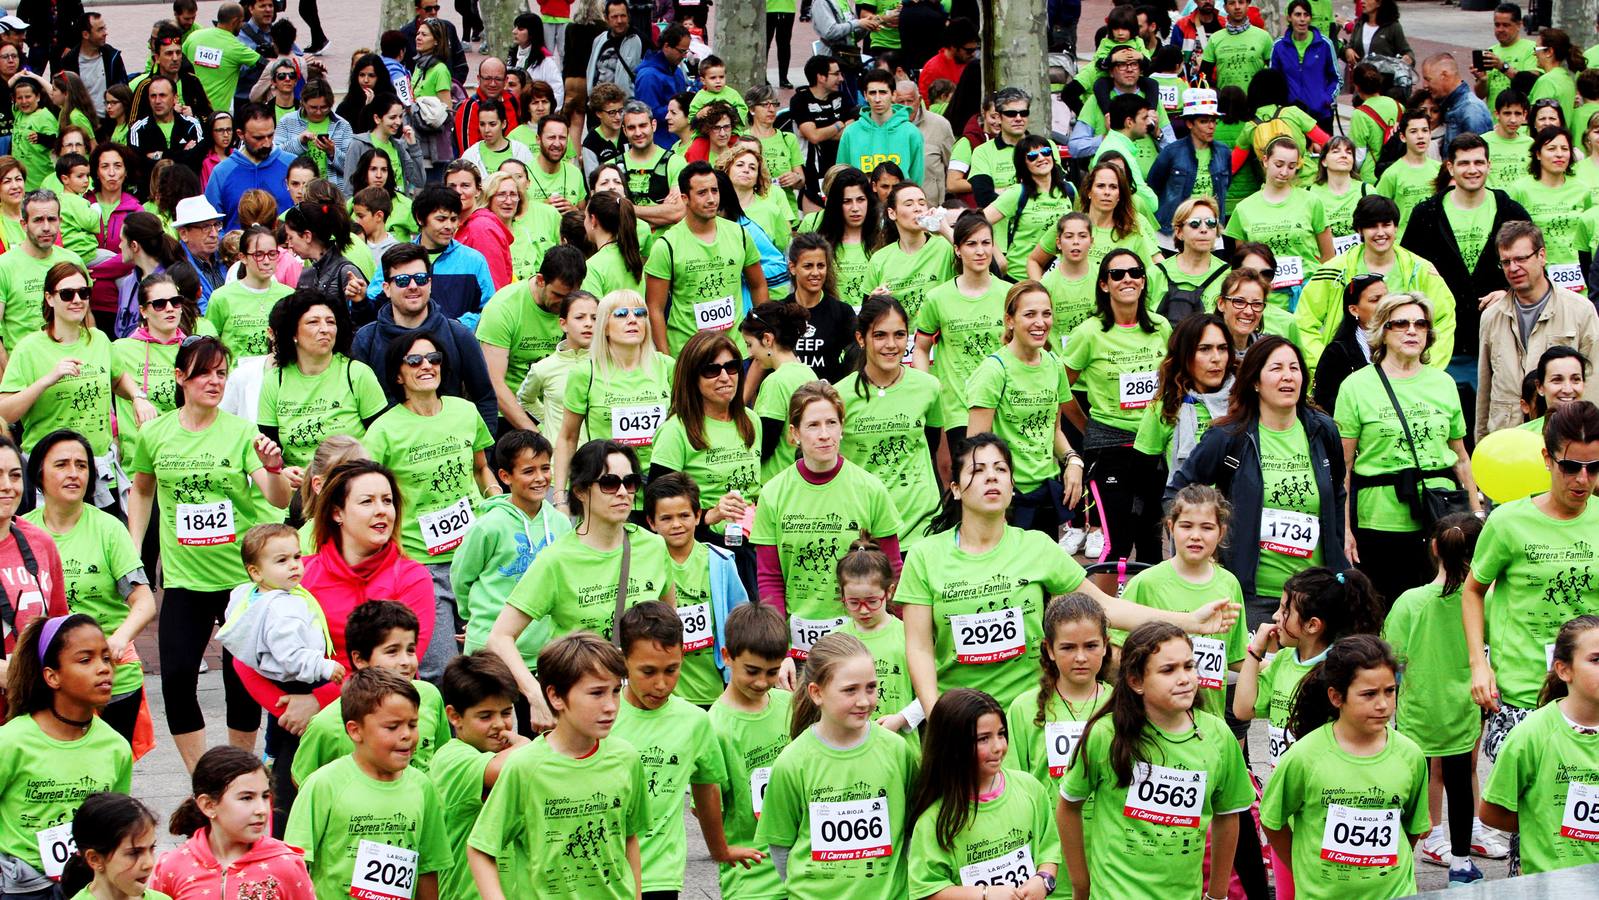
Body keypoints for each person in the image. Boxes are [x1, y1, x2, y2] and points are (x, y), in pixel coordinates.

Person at [127, 335, 290, 770]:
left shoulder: (240, 431)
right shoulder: (155, 433)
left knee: (241, 683)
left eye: (221, 373)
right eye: (204, 372)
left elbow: (276, 498)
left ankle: (239, 772)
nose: (215, 381)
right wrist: (133, 547)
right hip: (184, 579)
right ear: (180, 377)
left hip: (240, 579)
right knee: (177, 679)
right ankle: (202, 778)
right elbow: (142, 490)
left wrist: (274, 470)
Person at [1059, 621, 1252, 899]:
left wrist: (1217, 894)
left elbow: (1227, 814)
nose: (1184, 678)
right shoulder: (1105, 734)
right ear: (1136, 681)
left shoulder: (1218, 735)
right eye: (1168, 670)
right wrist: (1081, 886)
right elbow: (1068, 805)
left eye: (1188, 666)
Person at [488, 438, 672, 729]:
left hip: (643, 707)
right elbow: (499, 637)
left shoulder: (655, 547)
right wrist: (536, 696)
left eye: (631, 482)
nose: (623, 492)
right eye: (610, 483)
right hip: (581, 711)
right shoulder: (557, 560)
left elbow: (669, 629)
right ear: (581, 491)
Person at [466, 633, 647, 899]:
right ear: (556, 696)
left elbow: (629, 837)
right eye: (596, 693)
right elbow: (481, 849)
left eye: (616, 691)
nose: (610, 706)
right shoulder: (525, 767)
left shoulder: (627, 758)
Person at [363, 329, 497, 681]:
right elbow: (367, 494)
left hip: (477, 557)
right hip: (422, 565)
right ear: (398, 374)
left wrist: (496, 500)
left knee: (488, 665)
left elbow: (481, 467)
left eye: (434, 359)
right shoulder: (382, 432)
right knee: (441, 668)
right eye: (415, 360)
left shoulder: (465, 412)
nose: (427, 366)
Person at [1465, 398, 1599, 747]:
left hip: (1590, 694)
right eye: (1570, 466)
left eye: (1594, 467)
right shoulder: (1508, 521)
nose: (1583, 479)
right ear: (1547, 459)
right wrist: (1479, 665)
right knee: (1516, 800)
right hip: (1523, 693)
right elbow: (1473, 590)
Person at [1258, 634, 1434, 895]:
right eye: (1369, 694)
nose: (1383, 704)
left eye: (1390, 691)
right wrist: (1302, 868)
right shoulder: (1305, 756)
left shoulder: (1410, 755)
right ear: (1336, 697)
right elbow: (1272, 820)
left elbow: (1412, 827)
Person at [1336, 292, 1479, 605]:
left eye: (1420, 324)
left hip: (1440, 513)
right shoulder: (1356, 386)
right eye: (1400, 323)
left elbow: (1461, 458)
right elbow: (1343, 467)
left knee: (1444, 604)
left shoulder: (1443, 383)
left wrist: (1476, 514)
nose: (1412, 330)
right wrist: (1344, 529)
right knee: (1387, 609)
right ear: (1383, 331)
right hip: (1380, 519)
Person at [753, 631, 918, 897]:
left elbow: (912, 830)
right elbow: (781, 847)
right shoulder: (793, 761)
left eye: (871, 687)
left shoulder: (897, 750)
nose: (864, 700)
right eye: (850, 690)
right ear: (817, 693)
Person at [611, 601, 757, 892]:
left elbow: (706, 789)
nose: (662, 684)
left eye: (672, 669)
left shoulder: (694, 722)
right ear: (623, 661)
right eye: (648, 672)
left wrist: (720, 850)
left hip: (662, 874)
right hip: (608, 873)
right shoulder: (604, 717)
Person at [1383, 513, 1497, 881]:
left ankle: (1398, 866)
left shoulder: (1409, 601)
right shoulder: (1483, 602)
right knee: (1461, 783)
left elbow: (1392, 657)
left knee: (1407, 789)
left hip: (1417, 711)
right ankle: (1462, 863)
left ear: (1434, 548)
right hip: (1462, 709)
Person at [752, 381, 901, 659]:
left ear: (842, 427)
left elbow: (892, 569)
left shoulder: (870, 489)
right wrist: (779, 650)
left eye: (831, 423)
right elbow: (770, 578)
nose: (824, 435)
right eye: (813, 425)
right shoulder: (773, 493)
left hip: (863, 646)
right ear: (794, 433)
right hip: (799, 650)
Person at [21, 431, 154, 744]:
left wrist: (118, 640)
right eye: (62, 464)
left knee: (109, 784)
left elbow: (144, 601)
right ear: (39, 473)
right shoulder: (22, 532)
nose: (73, 473)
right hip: (47, 681)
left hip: (110, 681)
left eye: (81, 465)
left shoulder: (109, 529)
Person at [282, 668, 449, 899]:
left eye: (412, 724)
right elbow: (294, 865)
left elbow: (429, 866)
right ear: (355, 730)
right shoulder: (323, 785)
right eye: (392, 727)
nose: (406, 735)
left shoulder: (423, 787)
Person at [0, 612, 131, 892]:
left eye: (106, 658)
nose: (104, 668)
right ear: (52, 676)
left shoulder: (116, 747)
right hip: (19, 888)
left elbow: (116, 826)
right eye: (86, 660)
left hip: (90, 886)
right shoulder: (11, 741)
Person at [1062, 250, 1171, 563]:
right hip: (1109, 445)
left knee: (1152, 539)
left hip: (1154, 445)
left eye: (1135, 272)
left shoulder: (1161, 327)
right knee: (1117, 539)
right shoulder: (1089, 332)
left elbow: (1175, 378)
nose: (1128, 279)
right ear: (1104, 285)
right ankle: (1106, 611)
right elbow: (1060, 387)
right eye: (1117, 274)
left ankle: (1150, 609)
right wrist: (1086, 426)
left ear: (1143, 280)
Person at [906, 687, 1062, 897]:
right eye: (983, 739)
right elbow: (927, 889)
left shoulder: (1031, 789)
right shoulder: (934, 819)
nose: (998, 746)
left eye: (1001, 734)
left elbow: (1049, 849)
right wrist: (984, 894)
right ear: (953, 745)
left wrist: (1044, 879)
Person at [1480, 614, 1599, 874]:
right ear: (1563, 669)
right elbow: (1492, 812)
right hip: (1552, 883)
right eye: (1596, 660)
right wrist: (1544, 823)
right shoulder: (1531, 735)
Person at [287, 599, 452, 785]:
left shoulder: (430, 697)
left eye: (411, 650)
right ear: (359, 659)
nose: (406, 661)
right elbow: (302, 780)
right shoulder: (326, 725)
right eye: (392, 651)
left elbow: (441, 758)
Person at [1402, 134, 1529, 365]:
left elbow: (1536, 272)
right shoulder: (1425, 215)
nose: (1472, 169)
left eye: (1479, 162)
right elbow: (1406, 275)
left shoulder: (1512, 212)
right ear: (1450, 167)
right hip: (1441, 342)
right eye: (1464, 163)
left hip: (1501, 338)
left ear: (1489, 166)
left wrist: (1510, 294)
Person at [450, 428, 570, 672]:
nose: (540, 478)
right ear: (505, 476)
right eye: (528, 471)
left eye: (545, 468)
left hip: (545, 655)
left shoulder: (561, 523)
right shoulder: (488, 526)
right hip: (490, 655)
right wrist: (473, 618)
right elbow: (462, 578)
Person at [965, 280, 1078, 540]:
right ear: (1010, 320)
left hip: (1046, 491)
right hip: (1009, 497)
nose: (1040, 322)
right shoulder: (994, 370)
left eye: (1046, 314)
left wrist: (1073, 460)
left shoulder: (1054, 365)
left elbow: (1054, 429)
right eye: (1030, 314)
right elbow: (975, 448)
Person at [1298, 195, 1456, 369]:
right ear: (1360, 230)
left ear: (1396, 227)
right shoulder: (1333, 270)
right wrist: (1328, 365)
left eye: (1386, 225)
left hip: (1408, 370)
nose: (1380, 233)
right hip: (1350, 372)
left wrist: (1425, 369)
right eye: (1372, 226)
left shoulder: (1421, 270)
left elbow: (1444, 320)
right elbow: (1305, 322)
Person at [355, 242, 496, 432]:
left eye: (420, 278)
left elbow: (484, 397)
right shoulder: (367, 340)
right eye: (403, 280)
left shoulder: (458, 335)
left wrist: (483, 453)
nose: (413, 286)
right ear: (387, 288)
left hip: (451, 448)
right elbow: (357, 409)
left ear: (430, 284)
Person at [1477, 221, 1599, 437]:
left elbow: (1594, 381)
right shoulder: (1491, 316)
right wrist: (1481, 444)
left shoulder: (1580, 310)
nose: (1513, 268)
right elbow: (1484, 391)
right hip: (1507, 441)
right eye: (1506, 262)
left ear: (1541, 256)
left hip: (1564, 437)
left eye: (1521, 259)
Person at [149, 746, 315, 899]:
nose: (261, 809)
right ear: (208, 805)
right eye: (246, 798)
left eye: (265, 796)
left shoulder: (286, 865)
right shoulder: (172, 866)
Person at [706, 603, 790, 896]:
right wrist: (723, 850)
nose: (762, 682)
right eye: (752, 671)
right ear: (727, 656)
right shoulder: (714, 726)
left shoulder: (788, 705)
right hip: (750, 873)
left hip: (799, 866)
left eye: (772, 672)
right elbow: (706, 804)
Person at [644, 162, 766, 354]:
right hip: (688, 354)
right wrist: (666, 360)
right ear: (685, 198)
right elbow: (655, 308)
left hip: (735, 351)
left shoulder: (740, 234)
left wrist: (760, 336)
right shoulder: (666, 245)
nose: (711, 199)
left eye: (714, 191)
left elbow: (758, 285)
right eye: (702, 193)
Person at [255, 290, 385, 471]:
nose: (325, 329)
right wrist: (282, 471)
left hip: (351, 481)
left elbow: (382, 441)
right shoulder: (275, 380)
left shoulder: (357, 374)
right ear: (293, 332)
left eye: (330, 322)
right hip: (298, 489)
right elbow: (269, 446)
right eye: (313, 322)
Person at [1224, 138, 1332, 309]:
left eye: (1291, 166)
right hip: (1266, 300)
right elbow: (1241, 266)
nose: (1284, 172)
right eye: (1279, 164)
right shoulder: (1244, 208)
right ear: (1265, 161)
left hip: (1308, 296)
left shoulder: (1312, 202)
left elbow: (1328, 257)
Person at [1134, 310, 1235, 484]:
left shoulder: (1244, 401)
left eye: (1222, 348)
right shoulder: (1165, 407)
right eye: (1204, 349)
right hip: (1184, 506)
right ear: (1184, 354)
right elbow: (1142, 474)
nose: (1216, 358)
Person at [741, 301, 817, 483]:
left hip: (776, 481)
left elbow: (764, 446)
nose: (750, 353)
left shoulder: (775, 382)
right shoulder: (808, 372)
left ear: (767, 339)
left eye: (749, 344)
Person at [517, 289, 596, 442]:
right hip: (558, 459)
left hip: (601, 459)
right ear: (563, 324)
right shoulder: (543, 368)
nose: (588, 324)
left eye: (595, 318)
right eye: (580, 317)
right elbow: (525, 398)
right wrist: (547, 422)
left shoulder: (609, 364)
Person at [1148, 89, 1232, 231]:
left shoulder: (1223, 152)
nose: (1211, 126)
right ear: (1189, 124)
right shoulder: (1172, 152)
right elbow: (1154, 185)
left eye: (1213, 121)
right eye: (1204, 121)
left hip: (1211, 227)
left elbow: (1226, 184)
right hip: (1174, 229)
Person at [206, 105, 297, 233]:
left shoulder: (292, 165)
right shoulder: (221, 172)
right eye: (258, 138)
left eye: (270, 136)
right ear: (240, 134)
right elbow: (212, 226)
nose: (266, 143)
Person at [1311, 273, 1387, 414]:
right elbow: (1325, 405)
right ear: (1354, 310)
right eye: (1375, 300)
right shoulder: (1336, 353)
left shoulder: (1402, 343)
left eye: (1387, 298)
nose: (1385, 305)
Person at [790, 55, 858, 206]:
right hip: (812, 174)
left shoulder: (842, 97)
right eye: (836, 74)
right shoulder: (800, 100)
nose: (841, 78)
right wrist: (839, 125)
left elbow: (852, 131)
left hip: (841, 168)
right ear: (821, 77)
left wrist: (823, 132)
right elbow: (813, 136)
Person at [836, 69, 924, 184]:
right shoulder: (851, 132)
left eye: (883, 92)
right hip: (862, 201)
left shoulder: (911, 132)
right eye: (872, 93)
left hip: (899, 200)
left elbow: (916, 180)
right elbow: (841, 176)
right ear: (865, 96)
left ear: (893, 95)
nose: (877, 99)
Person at [180, 3, 260, 115]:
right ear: (235, 21)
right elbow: (265, 65)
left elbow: (178, 61)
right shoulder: (236, 47)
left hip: (186, 109)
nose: (242, 25)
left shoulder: (194, 36)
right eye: (242, 21)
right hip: (214, 116)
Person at [1270, 0, 1339, 129]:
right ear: (1289, 18)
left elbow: (1336, 78)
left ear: (1310, 18)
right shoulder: (1279, 46)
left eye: (1306, 15)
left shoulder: (1324, 44)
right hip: (1290, 117)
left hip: (1321, 116)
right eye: (1297, 15)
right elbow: (1272, 82)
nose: (1302, 19)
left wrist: (1326, 99)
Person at [55, 13, 126, 119]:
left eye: (104, 28)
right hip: (83, 123)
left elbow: (123, 89)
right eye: (100, 30)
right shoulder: (69, 62)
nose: (105, 33)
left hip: (110, 122)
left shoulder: (112, 57)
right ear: (85, 35)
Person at [1421, 52, 1493, 150]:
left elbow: (1477, 156)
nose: (1425, 85)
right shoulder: (1453, 105)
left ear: (1444, 75)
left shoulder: (1471, 110)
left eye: (1428, 79)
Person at [1520, 346, 1588, 433]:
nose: (1568, 390)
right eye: (1557, 380)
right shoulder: (1519, 436)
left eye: (1576, 379)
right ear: (1540, 387)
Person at [1529, 28, 1583, 132]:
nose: (1534, 54)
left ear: (1549, 52)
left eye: (1536, 49)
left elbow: (1538, 119)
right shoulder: (1567, 79)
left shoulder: (1547, 81)